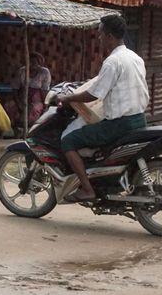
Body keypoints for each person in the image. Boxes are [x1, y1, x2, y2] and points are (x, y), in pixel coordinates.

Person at [57, 15, 149, 201]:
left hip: (120, 124)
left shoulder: (112, 62)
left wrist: (68, 98)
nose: (99, 39)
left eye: (100, 35)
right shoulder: (135, 57)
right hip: (139, 119)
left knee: (69, 141)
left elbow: (94, 95)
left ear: (109, 36)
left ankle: (87, 188)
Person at [4, 51, 51, 133]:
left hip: (36, 100)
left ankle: (30, 132)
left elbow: (45, 90)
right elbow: (15, 89)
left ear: (39, 63)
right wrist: (18, 103)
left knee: (33, 109)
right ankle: (15, 129)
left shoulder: (44, 72)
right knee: (9, 106)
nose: (33, 64)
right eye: (31, 62)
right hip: (21, 98)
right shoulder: (21, 71)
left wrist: (45, 105)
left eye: (35, 62)